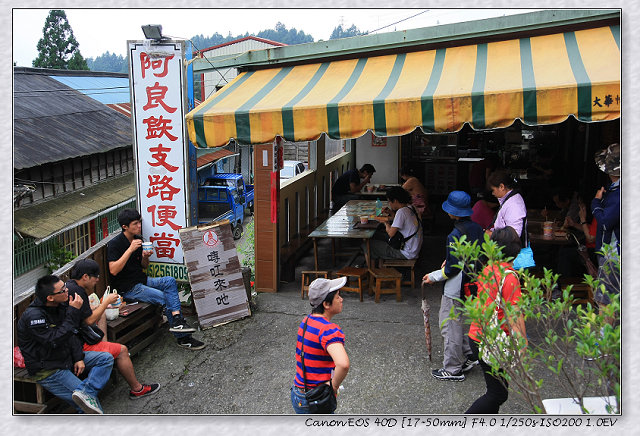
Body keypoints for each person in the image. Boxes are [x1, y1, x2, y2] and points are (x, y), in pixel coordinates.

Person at [107, 209, 205, 350]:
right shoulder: (116, 244)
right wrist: (129, 250)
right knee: (164, 298)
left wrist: (145, 256)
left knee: (170, 281)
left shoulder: (138, 239)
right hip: (127, 288)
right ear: (125, 227)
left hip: (142, 280)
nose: (139, 226)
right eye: (135, 224)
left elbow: (144, 266)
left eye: (139, 222)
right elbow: (113, 270)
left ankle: (177, 320)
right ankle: (183, 338)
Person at [17, 275, 114, 414]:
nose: (67, 291)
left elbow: (71, 333)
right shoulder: (34, 317)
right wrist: (73, 313)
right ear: (50, 297)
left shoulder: (61, 304)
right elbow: (54, 341)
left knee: (106, 359)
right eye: (63, 290)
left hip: (65, 358)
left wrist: (78, 357)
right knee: (90, 407)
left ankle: (86, 392)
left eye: (65, 287)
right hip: (49, 368)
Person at [66, 259, 160, 399]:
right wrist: (105, 302)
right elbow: (89, 320)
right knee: (122, 350)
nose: (97, 280)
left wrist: (103, 306)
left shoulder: (70, 287)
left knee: (102, 314)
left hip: (70, 340)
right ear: (85, 277)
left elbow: (83, 314)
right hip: (75, 345)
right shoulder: (77, 292)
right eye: (95, 277)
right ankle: (137, 389)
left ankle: (105, 346)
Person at [423, 191, 484, 382]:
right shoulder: (476, 228)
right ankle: (469, 355)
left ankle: (453, 369)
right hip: (471, 283)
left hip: (455, 287)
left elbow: (451, 269)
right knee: (457, 325)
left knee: (449, 327)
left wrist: (433, 277)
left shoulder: (454, 235)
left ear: (453, 212)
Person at [465, 227, 527, 414]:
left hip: (477, 335)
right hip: (492, 340)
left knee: (497, 392)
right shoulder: (510, 277)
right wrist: (522, 347)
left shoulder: (489, 269)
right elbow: (515, 317)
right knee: (497, 394)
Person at [291, 277, 350, 414]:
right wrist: (333, 386)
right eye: (337, 297)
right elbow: (343, 364)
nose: (341, 299)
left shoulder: (306, 321)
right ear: (326, 304)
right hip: (316, 398)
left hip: (299, 393)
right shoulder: (329, 330)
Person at [591, 143, 620, 320]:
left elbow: (605, 222)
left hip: (613, 253)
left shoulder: (618, 194)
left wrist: (596, 203)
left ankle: (604, 342)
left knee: (605, 299)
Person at [368, 186, 423, 262]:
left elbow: (390, 233)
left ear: (395, 200)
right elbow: (402, 221)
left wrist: (385, 222)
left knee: (369, 244)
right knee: (377, 235)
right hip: (414, 248)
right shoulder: (411, 207)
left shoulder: (401, 212)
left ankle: (374, 269)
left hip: (406, 253)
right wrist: (391, 213)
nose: (389, 204)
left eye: (389, 201)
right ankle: (378, 263)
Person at [486, 170, 527, 238]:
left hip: (511, 248)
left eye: (493, 190)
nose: (492, 193)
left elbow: (515, 234)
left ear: (501, 187)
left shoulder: (513, 205)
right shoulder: (509, 200)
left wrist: (492, 234)